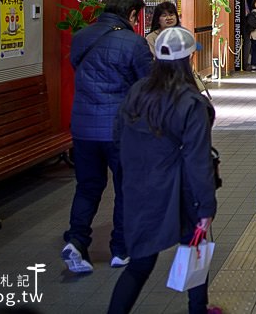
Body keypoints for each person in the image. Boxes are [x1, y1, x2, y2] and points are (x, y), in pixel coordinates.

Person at [107, 28, 218, 314]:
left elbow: (118, 137)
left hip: (140, 188)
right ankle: (198, 309)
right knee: (194, 247)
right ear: (189, 59)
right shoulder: (191, 102)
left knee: (140, 264)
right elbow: (198, 159)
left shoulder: (138, 91)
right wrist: (206, 206)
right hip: (179, 191)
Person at [62, 0, 152, 274]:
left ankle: (77, 241)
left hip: (83, 128)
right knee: (126, 187)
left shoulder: (81, 37)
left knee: (88, 187)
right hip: (119, 129)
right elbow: (147, 83)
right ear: (133, 14)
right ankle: (121, 249)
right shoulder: (134, 43)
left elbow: (79, 69)